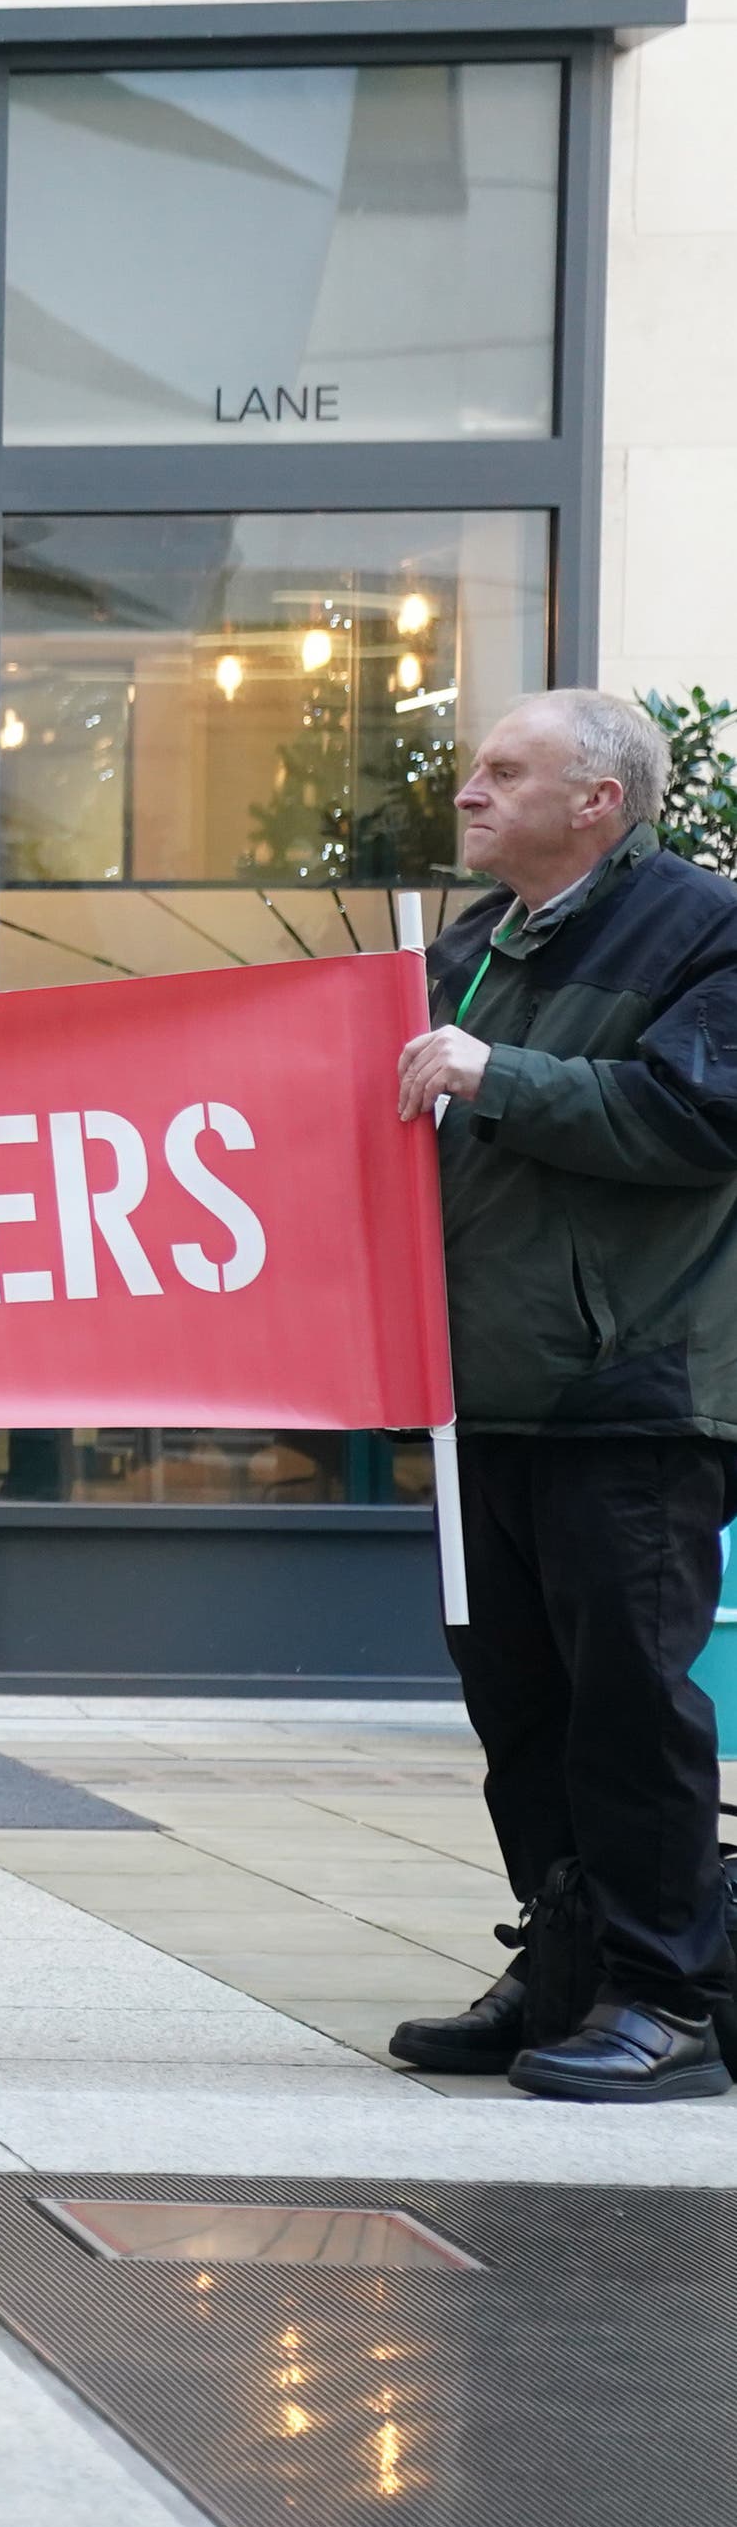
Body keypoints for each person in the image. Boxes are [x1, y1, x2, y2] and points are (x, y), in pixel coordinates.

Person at [388, 689, 737, 2105]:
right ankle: (567, 1959)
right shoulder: (471, 945)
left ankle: (669, 1996)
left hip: (629, 1392)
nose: (465, 791)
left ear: (595, 799)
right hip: (482, 1392)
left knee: (624, 1702)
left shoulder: (700, 927)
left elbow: (693, 1117)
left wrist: (493, 1074)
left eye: (500, 771)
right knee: (517, 1702)